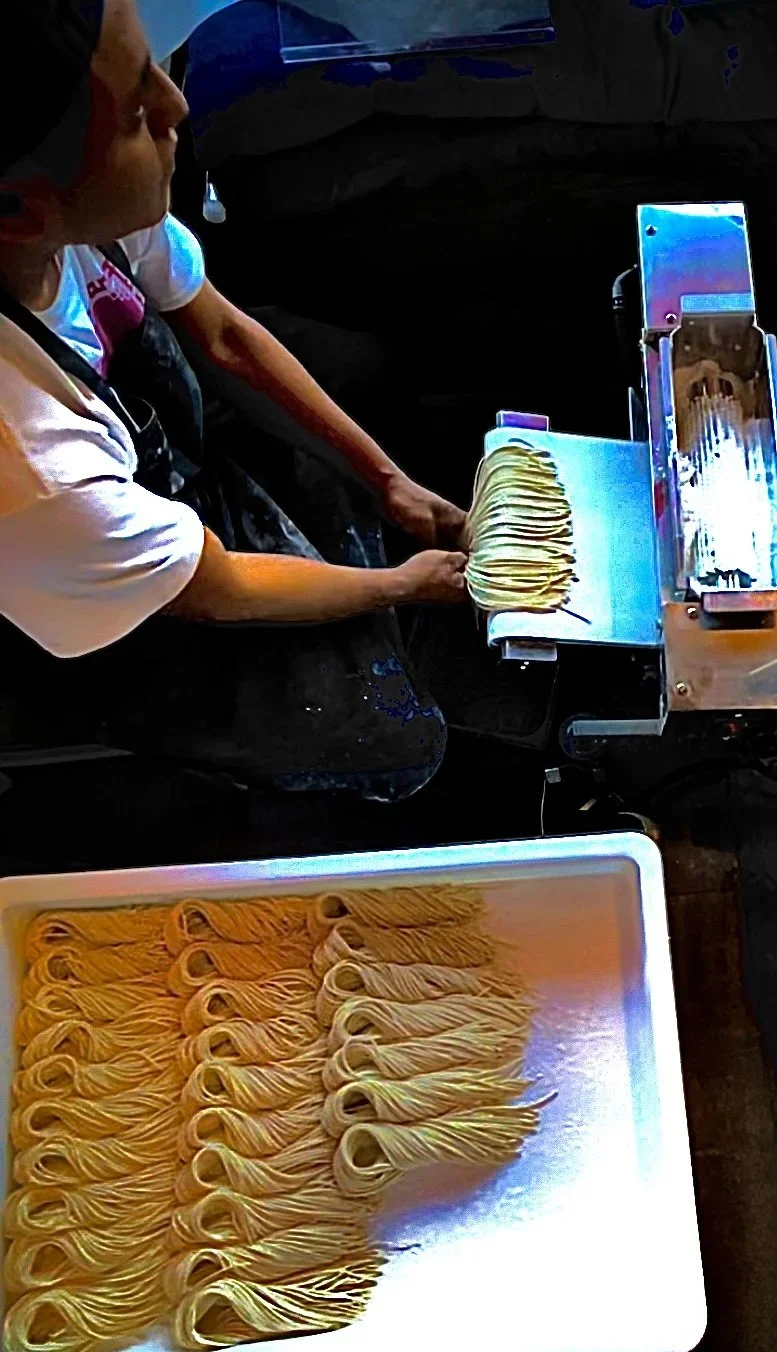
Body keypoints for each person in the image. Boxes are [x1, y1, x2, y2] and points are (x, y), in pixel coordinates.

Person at [0, 0, 473, 799]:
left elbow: (220, 337)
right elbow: (219, 588)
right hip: (110, 606)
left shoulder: (85, 209)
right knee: (391, 741)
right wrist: (404, 584)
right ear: (18, 210)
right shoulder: (29, 464)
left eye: (154, 70)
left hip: (152, 456)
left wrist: (383, 477)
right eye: (134, 117)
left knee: (365, 371)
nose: (175, 107)